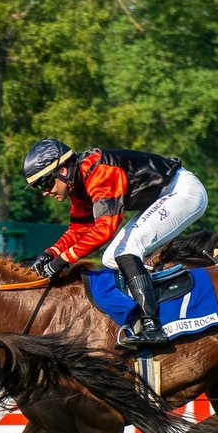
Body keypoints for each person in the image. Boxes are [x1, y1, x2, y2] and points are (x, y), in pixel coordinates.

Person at [23, 138, 208, 349]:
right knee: (110, 258)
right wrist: (52, 252)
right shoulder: (79, 183)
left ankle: (152, 325)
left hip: (182, 191)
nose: (45, 192)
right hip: (164, 195)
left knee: (127, 250)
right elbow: (79, 229)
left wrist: (63, 260)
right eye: (39, 187)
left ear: (63, 171)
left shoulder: (99, 171)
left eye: (45, 183)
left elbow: (105, 229)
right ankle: (146, 312)